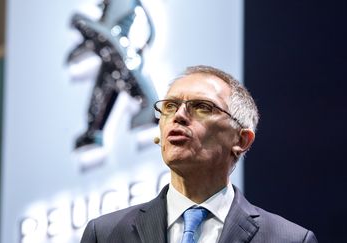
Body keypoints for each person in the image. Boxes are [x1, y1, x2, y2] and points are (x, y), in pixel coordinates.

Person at [80, 65, 318, 243]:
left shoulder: (289, 240)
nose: (179, 116)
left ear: (241, 140)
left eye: (202, 107)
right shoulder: (105, 234)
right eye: (170, 107)